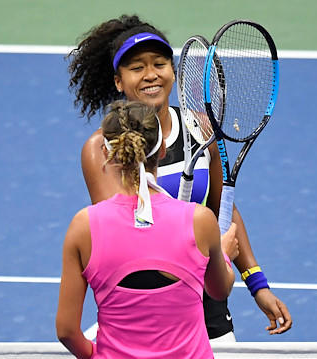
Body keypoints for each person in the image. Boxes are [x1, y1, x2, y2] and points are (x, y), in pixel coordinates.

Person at [67, 14, 292, 341]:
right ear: (118, 81)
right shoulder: (101, 149)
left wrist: (257, 283)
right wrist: (212, 256)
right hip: (140, 312)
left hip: (206, 311)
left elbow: (222, 208)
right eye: (137, 67)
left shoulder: (201, 128)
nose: (151, 75)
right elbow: (126, 240)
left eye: (159, 63)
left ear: (173, 71)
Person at [55, 100, 237, 358]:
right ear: (162, 148)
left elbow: (66, 331)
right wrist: (225, 254)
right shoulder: (201, 221)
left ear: (108, 154)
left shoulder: (83, 227)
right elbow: (219, 290)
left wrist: (99, 355)